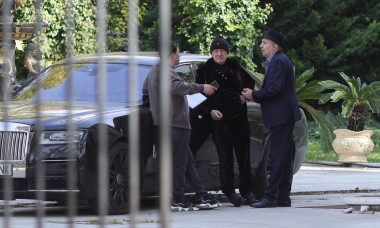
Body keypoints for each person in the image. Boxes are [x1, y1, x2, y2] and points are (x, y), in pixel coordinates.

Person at [142, 42, 221, 212]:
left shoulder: (154, 71)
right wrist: (203, 88)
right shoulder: (166, 72)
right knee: (179, 163)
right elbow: (179, 87)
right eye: (178, 54)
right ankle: (178, 199)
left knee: (187, 161)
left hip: (166, 123)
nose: (180, 57)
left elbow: (145, 92)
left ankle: (202, 194)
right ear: (172, 55)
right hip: (175, 124)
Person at [195, 36, 257, 207]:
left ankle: (248, 192)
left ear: (227, 52)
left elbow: (250, 82)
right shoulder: (204, 69)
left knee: (244, 157)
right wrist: (210, 111)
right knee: (225, 158)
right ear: (212, 53)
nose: (219, 54)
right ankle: (229, 192)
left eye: (222, 51)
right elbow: (198, 97)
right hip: (220, 120)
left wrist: (245, 96)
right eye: (216, 51)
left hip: (239, 118)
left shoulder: (235, 65)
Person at [242, 29, 301, 208]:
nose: (261, 46)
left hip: (281, 115)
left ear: (274, 46)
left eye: (265, 43)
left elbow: (274, 89)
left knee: (277, 157)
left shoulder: (278, 62)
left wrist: (254, 95)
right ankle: (282, 197)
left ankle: (270, 197)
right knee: (282, 157)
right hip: (282, 115)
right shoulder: (278, 61)